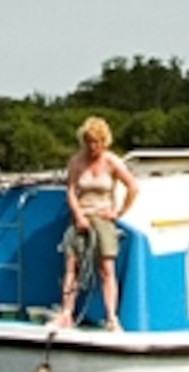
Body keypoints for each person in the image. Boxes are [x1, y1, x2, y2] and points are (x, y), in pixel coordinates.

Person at [59, 116, 140, 328]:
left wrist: (118, 212)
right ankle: (66, 313)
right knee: (72, 266)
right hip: (81, 215)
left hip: (103, 216)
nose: (92, 146)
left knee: (106, 268)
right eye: (88, 142)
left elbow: (133, 186)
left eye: (96, 142)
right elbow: (70, 191)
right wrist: (78, 215)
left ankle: (111, 317)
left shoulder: (112, 161)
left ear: (104, 142)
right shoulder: (76, 161)